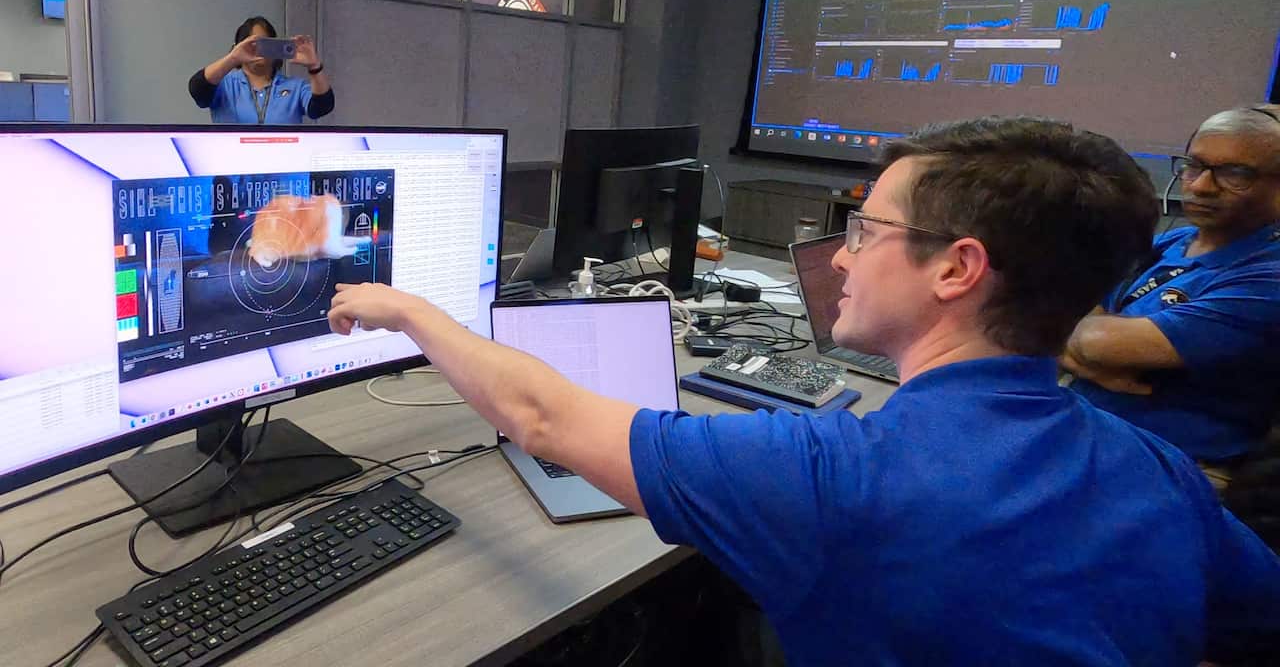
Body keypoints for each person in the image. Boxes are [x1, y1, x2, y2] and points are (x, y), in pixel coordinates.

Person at [327, 117, 1280, 665]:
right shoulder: (1160, 470)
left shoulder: (834, 476)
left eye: (865, 229)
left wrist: (413, 311)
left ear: (957, 269)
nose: (846, 256)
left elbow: (541, 416)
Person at [1062, 105, 1280, 463]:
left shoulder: (1268, 276)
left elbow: (1095, 341)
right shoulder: (1174, 240)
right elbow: (1062, 302)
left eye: (1235, 173)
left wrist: (1069, 341)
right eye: (1194, 165)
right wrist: (1072, 345)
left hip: (1175, 464)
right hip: (1090, 432)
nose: (1201, 186)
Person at [188, 16, 334, 124]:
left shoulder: (295, 87)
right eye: (252, 44)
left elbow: (322, 107)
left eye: (266, 43)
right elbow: (197, 89)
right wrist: (233, 58)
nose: (259, 50)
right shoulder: (224, 85)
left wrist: (314, 66)